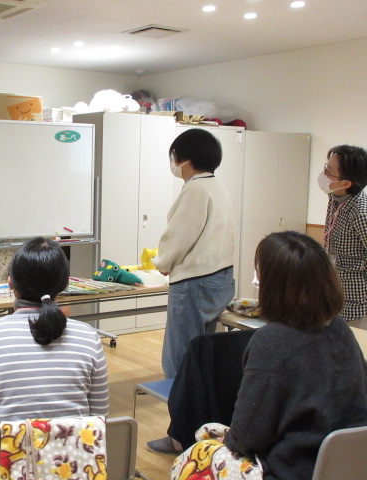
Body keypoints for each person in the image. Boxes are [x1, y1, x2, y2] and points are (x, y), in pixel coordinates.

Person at [172, 231, 367, 480]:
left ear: (273, 285)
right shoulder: (340, 329)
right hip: (350, 465)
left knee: (195, 455)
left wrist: (225, 441)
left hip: (293, 469)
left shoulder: (272, 341)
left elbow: (247, 437)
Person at [0, 237, 109, 424]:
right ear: (65, 283)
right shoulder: (88, 337)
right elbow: (100, 418)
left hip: (6, 444)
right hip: (75, 443)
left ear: (10, 283)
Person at [153, 128, 235, 379]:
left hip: (194, 282)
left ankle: (180, 401)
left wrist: (163, 263)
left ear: (184, 159)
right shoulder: (217, 186)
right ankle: (200, 398)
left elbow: (180, 235)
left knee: (180, 357)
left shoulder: (196, 189)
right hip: (220, 277)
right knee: (202, 351)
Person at [319, 144, 367, 325]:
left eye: (329, 171)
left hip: (357, 304)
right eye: (326, 167)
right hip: (334, 296)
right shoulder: (335, 197)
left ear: (346, 183)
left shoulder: (361, 213)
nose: (323, 174)